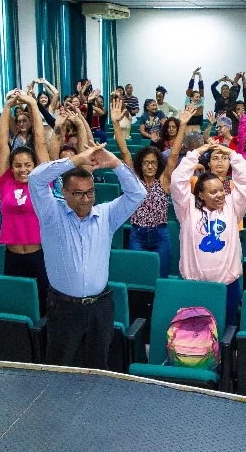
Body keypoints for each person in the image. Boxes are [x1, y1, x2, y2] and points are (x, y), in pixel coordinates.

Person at [28, 143, 146, 369]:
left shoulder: (107, 215)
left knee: (98, 369)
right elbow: (36, 179)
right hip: (63, 307)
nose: (85, 199)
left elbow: (137, 193)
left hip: (100, 307)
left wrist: (115, 164)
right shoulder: (51, 213)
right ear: (64, 192)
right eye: (78, 193)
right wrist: (76, 159)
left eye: (90, 192)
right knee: (60, 368)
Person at [171, 141, 246, 328]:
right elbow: (177, 181)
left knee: (226, 330)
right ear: (200, 194)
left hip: (228, 286)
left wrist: (232, 154)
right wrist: (197, 152)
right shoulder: (187, 208)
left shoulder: (233, 207)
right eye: (213, 192)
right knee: (196, 333)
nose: (220, 195)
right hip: (195, 286)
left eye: (222, 191)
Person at [113, 98, 191, 279]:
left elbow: (173, 156)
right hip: (137, 234)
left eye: (154, 163)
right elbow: (124, 151)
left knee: (161, 276)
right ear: (141, 164)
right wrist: (116, 123)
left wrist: (183, 126)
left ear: (158, 165)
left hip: (160, 235)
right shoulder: (134, 181)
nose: (150, 166)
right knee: (138, 277)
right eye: (146, 163)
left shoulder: (164, 181)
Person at [0, 90, 51, 312]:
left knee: (43, 308)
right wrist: (7, 107)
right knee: (16, 308)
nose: (23, 169)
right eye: (18, 165)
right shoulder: (6, 181)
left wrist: (32, 104)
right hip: (12, 257)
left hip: (39, 256)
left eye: (27, 165)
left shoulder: (40, 181)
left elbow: (39, 143)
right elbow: (1, 145)